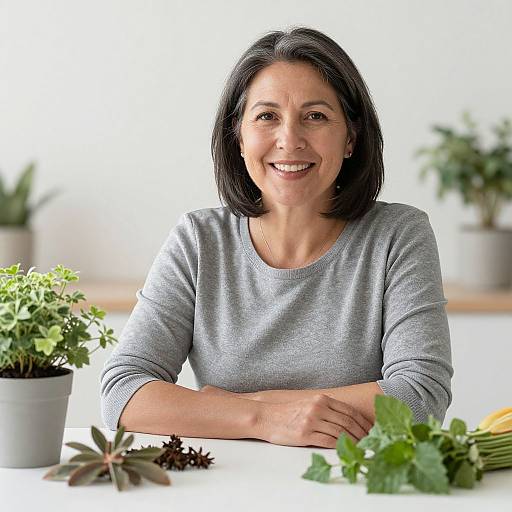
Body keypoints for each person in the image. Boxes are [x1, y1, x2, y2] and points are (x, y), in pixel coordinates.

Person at [100, 26, 453, 449]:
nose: (290, 140)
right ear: (240, 135)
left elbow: (418, 397)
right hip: (226, 484)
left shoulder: (398, 236)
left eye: (316, 116)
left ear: (351, 139)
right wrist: (264, 417)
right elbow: (123, 392)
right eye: (267, 116)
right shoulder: (198, 240)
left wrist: (232, 406)